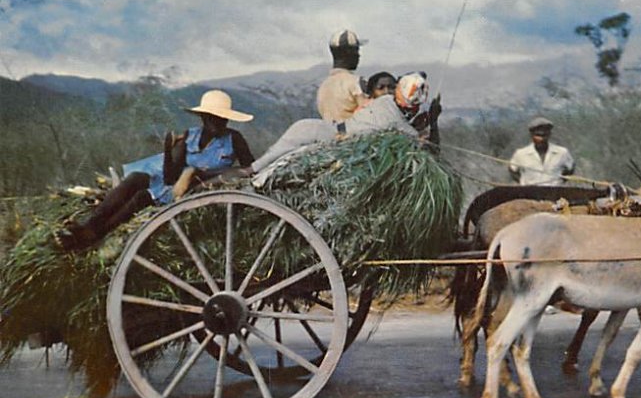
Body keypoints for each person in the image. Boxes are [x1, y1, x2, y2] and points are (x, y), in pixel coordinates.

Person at [56, 89, 255, 251]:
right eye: (213, 118)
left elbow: (249, 168)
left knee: (142, 197)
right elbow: (170, 177)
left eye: (222, 119)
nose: (219, 124)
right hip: (173, 185)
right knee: (135, 179)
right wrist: (168, 150)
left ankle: (97, 234)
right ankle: (89, 226)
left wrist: (198, 173)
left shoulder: (234, 139)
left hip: (196, 189)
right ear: (203, 118)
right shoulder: (189, 137)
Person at [251, 72, 438, 187]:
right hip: (317, 134)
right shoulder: (392, 115)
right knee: (264, 167)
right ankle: (246, 173)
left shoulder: (387, 103)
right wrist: (432, 120)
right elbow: (423, 143)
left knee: (268, 164)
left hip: (322, 131)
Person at [316, 29, 370, 122]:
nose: (359, 55)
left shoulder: (323, 87)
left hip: (329, 134)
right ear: (349, 52)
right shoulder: (357, 83)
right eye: (357, 50)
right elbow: (370, 114)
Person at [508, 116, 574, 186]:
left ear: (549, 135)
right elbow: (513, 170)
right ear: (531, 135)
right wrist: (523, 183)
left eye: (544, 135)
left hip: (554, 192)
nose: (541, 139)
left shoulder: (562, 152)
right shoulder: (521, 153)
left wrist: (560, 181)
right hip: (529, 193)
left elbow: (570, 168)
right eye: (538, 135)